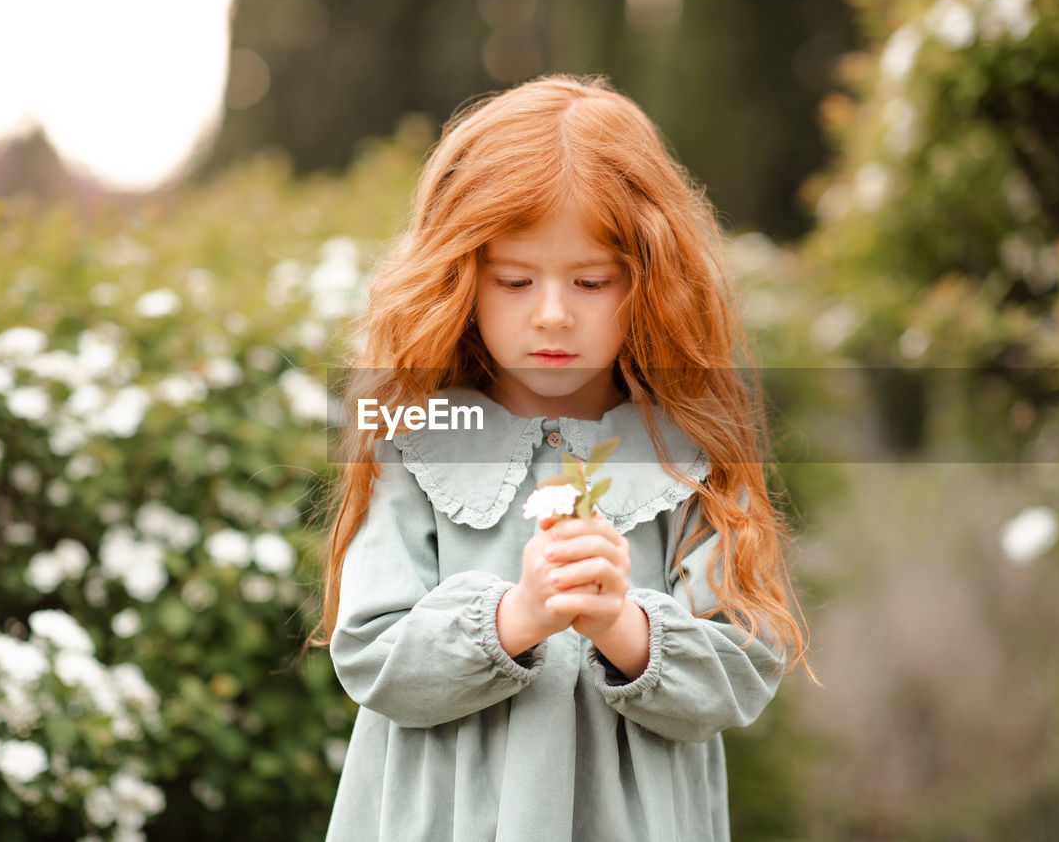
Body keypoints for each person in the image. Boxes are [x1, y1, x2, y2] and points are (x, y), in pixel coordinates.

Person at [315, 74, 811, 842]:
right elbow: (373, 654)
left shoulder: (688, 451)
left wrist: (623, 627)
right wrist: (516, 617)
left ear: (649, 279)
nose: (552, 313)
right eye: (514, 280)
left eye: (590, 280)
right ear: (463, 278)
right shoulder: (414, 437)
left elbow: (744, 665)